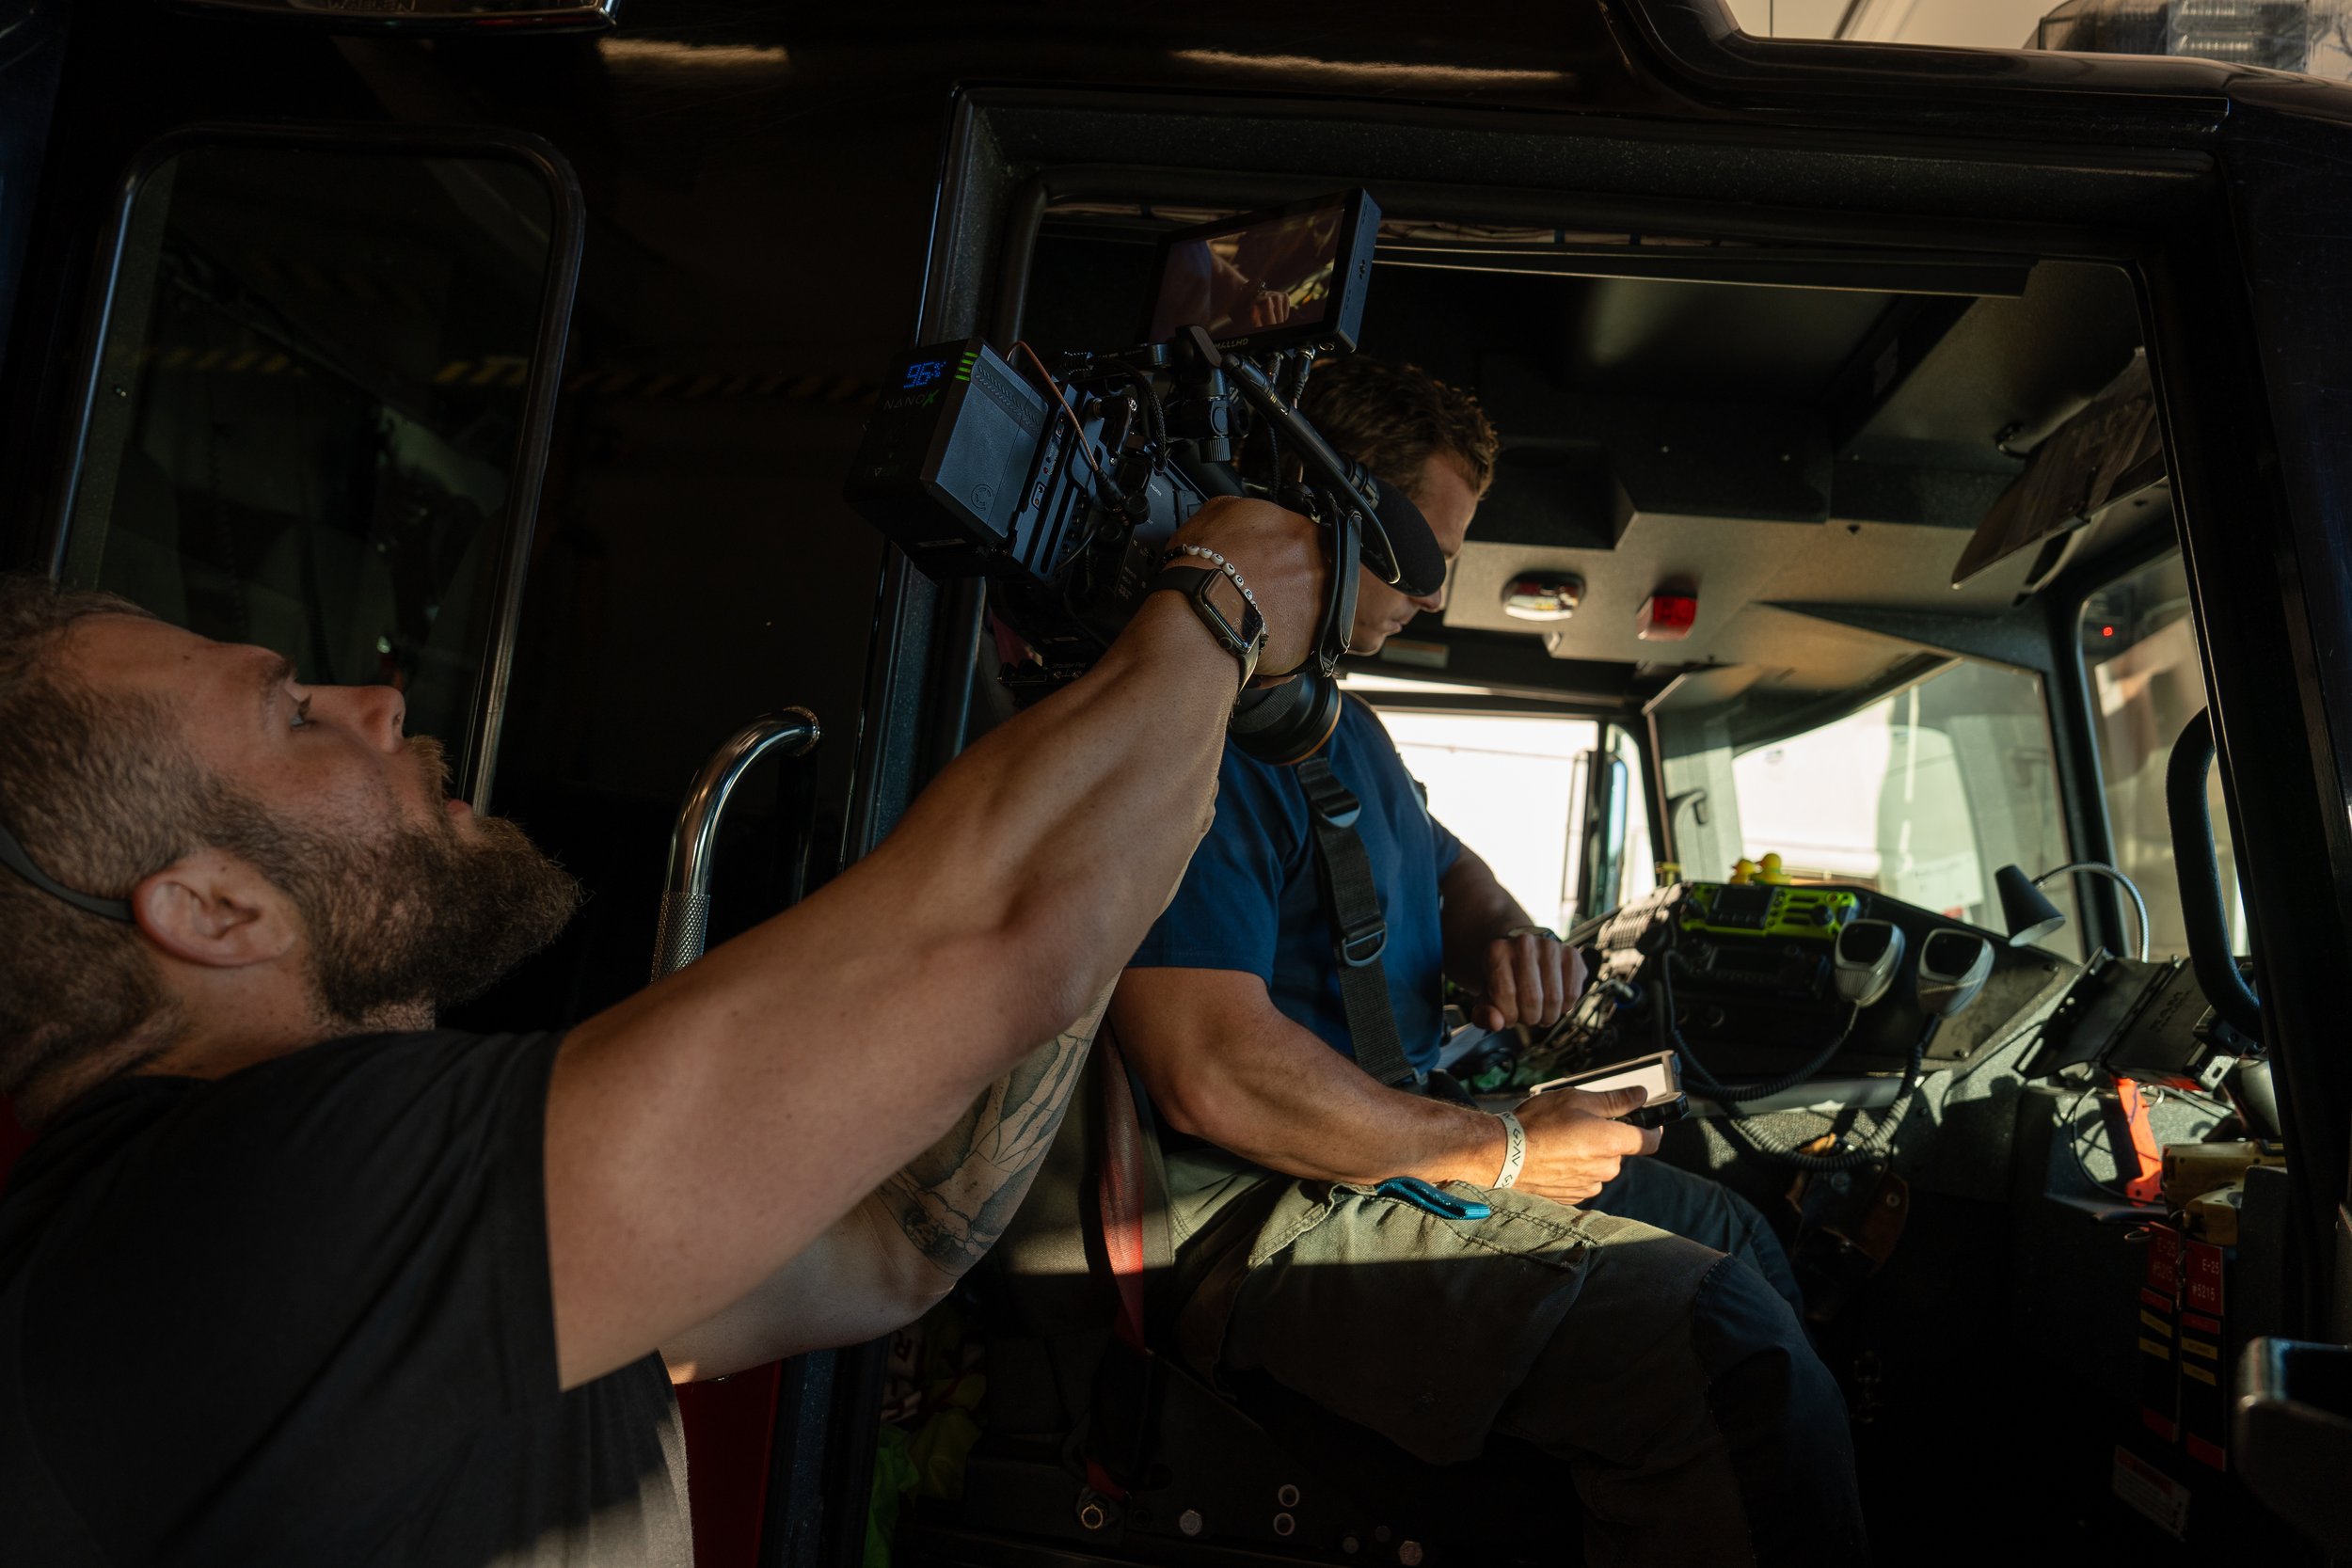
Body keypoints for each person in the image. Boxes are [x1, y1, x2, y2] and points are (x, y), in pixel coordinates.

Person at [0, 493, 1328, 1567]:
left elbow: (893, 1236)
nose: (375, 700)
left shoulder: (331, 1231)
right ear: (214, 908)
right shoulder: (244, 1211)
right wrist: (1221, 594)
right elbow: (991, 938)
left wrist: (1138, 807)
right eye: (292, 713)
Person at [1110, 358, 1865, 1566]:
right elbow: (1209, 1070)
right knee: (1724, 1345)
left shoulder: (1330, 722)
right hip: (1266, 1210)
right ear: (1336, 507)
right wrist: (1504, 1147)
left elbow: (1443, 864)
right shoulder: (1188, 730)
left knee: (1741, 1236)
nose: (1439, 589)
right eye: (1424, 548)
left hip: (1393, 1141)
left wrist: (1507, 934)